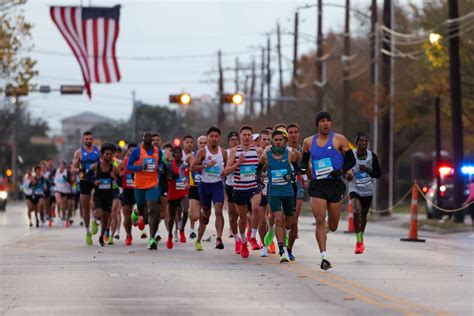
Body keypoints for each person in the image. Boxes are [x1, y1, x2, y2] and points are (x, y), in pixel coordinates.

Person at [301, 111, 356, 270]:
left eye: (328, 121)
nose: (325, 124)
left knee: (333, 225)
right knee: (319, 219)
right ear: (317, 124)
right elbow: (304, 164)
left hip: (335, 184)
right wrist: (305, 170)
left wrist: (340, 171)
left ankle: (327, 229)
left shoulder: (340, 139)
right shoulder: (308, 142)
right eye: (322, 121)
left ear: (330, 123)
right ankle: (324, 256)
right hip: (318, 185)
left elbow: (351, 161)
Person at [257, 129, 299, 263]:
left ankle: (280, 238)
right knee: (278, 220)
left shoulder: (290, 154)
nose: (278, 142)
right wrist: (260, 179)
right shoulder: (266, 155)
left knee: (288, 223)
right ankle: (282, 250)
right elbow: (258, 169)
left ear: (284, 141)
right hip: (274, 192)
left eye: (281, 140)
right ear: (272, 141)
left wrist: (292, 175)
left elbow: (298, 169)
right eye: (276, 140)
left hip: (288, 192)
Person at [225, 125, 263, 258]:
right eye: (244, 135)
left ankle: (252, 236)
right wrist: (238, 163)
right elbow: (226, 171)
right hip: (240, 189)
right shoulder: (234, 152)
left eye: (249, 135)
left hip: (254, 187)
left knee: (256, 209)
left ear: (251, 137)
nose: (247, 137)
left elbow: (263, 168)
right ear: (240, 137)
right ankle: (243, 241)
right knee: (242, 218)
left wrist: (262, 175)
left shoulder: (258, 151)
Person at [190, 126, 227, 251]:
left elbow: (227, 167)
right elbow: (192, 167)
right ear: (208, 137)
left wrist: (225, 172)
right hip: (204, 186)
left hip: (217, 185)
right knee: (205, 216)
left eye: (216, 136)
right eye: (211, 136)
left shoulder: (223, 152)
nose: (214, 138)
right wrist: (206, 165)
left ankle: (219, 238)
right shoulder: (203, 152)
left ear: (219, 138)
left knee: (218, 210)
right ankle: (199, 240)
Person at [345, 132, 381, 254]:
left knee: (363, 215)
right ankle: (359, 241)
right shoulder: (351, 155)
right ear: (356, 143)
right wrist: (347, 176)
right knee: (356, 211)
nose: (363, 143)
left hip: (367, 190)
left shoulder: (372, 156)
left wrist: (368, 170)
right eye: (361, 141)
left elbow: (378, 174)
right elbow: (344, 170)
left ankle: (361, 238)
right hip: (354, 188)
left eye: (365, 141)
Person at [127, 132, 163, 250]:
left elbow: (161, 164)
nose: (148, 139)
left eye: (150, 137)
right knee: (143, 211)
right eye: (145, 137)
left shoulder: (158, 151)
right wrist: (140, 168)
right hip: (139, 185)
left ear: (152, 139)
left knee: (152, 210)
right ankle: (136, 212)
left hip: (152, 184)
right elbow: (128, 166)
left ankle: (152, 239)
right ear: (142, 139)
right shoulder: (136, 151)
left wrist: (160, 168)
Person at [87, 143, 119, 247]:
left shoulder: (114, 168)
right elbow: (86, 176)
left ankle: (101, 237)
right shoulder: (95, 166)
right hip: (99, 195)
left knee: (106, 218)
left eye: (110, 154)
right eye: (107, 154)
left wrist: (115, 178)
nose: (109, 156)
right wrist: (94, 181)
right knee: (99, 215)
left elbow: (120, 181)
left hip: (109, 196)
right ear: (102, 155)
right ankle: (94, 221)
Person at [72, 131, 101, 246]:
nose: (88, 140)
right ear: (83, 140)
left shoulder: (97, 151)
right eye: (86, 139)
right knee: (85, 207)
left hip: (96, 180)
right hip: (84, 181)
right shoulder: (79, 153)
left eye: (90, 139)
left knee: (95, 203)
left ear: (92, 140)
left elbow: (104, 163)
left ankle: (95, 220)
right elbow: (72, 169)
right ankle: (88, 231)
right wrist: (80, 170)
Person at [286, 123, 305, 261]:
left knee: (294, 220)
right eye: (290, 132)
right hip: (282, 185)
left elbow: (307, 168)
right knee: (281, 219)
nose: (293, 134)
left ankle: (289, 249)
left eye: (295, 132)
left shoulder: (304, 150)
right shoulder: (281, 149)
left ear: (298, 134)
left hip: (297, 185)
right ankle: (280, 243)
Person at [166, 146, 190, 249]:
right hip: (173, 193)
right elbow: (165, 177)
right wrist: (171, 177)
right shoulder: (169, 165)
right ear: (173, 154)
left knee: (185, 211)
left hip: (183, 192)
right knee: (171, 218)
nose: (178, 154)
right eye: (175, 152)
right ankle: (170, 236)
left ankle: (182, 230)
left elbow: (190, 175)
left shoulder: (186, 164)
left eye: (180, 152)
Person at [185, 135, 208, 240]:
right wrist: (185, 180)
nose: (203, 145)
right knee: (194, 216)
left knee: (204, 217)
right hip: (194, 187)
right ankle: (192, 228)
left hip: (207, 187)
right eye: (201, 143)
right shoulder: (191, 156)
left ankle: (198, 239)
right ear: (197, 144)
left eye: (205, 143)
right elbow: (181, 169)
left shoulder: (212, 156)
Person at [257, 129, 273, 257]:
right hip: (260, 188)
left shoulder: (275, 152)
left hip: (273, 186)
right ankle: (264, 245)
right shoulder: (255, 152)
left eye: (268, 139)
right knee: (261, 220)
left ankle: (271, 235)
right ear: (259, 140)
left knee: (272, 217)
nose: (266, 142)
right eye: (264, 139)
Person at [224, 131, 240, 253]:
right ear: (228, 142)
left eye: (236, 139)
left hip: (244, 185)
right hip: (230, 185)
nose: (234, 141)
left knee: (243, 214)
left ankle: (243, 236)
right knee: (232, 215)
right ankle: (236, 238)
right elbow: (224, 171)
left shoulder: (244, 152)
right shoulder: (226, 153)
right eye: (232, 139)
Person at [121, 143, 138, 246]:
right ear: (127, 152)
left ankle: (136, 217)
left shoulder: (140, 161)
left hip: (138, 189)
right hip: (127, 190)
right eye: (130, 150)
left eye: (134, 150)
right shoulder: (123, 162)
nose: (132, 152)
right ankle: (129, 235)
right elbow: (116, 170)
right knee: (127, 216)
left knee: (141, 211)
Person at [108, 145, 123, 244]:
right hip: (106, 189)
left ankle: (115, 232)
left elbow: (121, 177)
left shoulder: (119, 163)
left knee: (117, 211)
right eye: (114, 152)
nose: (115, 154)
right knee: (109, 212)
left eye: (117, 152)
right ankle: (107, 231)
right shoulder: (105, 162)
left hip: (117, 188)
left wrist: (116, 177)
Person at [53, 160, 72, 227]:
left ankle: (63, 217)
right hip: (57, 189)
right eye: (60, 164)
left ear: (64, 165)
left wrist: (66, 179)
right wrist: (51, 182)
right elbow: (49, 177)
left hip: (65, 190)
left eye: (62, 165)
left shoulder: (67, 172)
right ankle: (58, 215)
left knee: (63, 204)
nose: (61, 166)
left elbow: (70, 181)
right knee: (59, 202)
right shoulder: (56, 171)